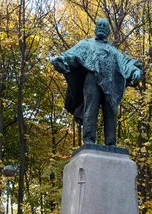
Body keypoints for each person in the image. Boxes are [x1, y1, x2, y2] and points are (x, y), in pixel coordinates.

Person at [51, 18, 143, 146]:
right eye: (99, 25)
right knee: (90, 108)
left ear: (108, 31)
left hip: (110, 84)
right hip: (92, 80)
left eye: (104, 25)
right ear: (95, 28)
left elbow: (126, 63)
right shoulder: (86, 44)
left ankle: (111, 142)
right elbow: (71, 56)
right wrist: (60, 59)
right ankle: (89, 140)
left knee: (111, 111)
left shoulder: (114, 51)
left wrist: (136, 71)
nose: (101, 27)